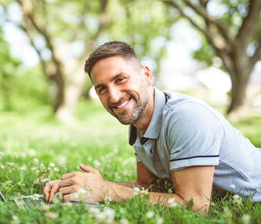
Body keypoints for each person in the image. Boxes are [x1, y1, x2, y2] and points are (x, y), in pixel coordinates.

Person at [43, 41, 261, 212]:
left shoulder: (186, 118)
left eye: (120, 79)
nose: (114, 96)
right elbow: (147, 187)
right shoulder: (140, 122)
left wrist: (106, 190)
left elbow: (195, 205)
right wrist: (85, 186)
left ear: (146, 75)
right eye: (102, 89)